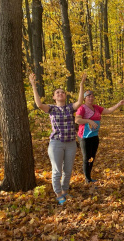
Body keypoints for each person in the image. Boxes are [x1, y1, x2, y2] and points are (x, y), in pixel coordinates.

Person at [29, 73, 86, 205]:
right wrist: (33, 84)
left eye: (62, 92)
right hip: (56, 144)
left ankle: (65, 191)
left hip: (71, 143)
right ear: (54, 97)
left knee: (68, 170)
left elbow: (80, 102)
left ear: (65, 96)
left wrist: (81, 84)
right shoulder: (51, 108)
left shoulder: (69, 108)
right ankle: (58, 193)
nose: (60, 93)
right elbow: (38, 104)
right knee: (57, 170)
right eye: (57, 92)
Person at [75, 90, 124, 183]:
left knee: (92, 157)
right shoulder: (82, 108)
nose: (91, 98)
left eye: (92, 96)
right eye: (88, 96)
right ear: (84, 98)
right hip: (84, 136)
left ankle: (89, 177)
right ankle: (87, 179)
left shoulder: (96, 107)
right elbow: (77, 120)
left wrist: (118, 104)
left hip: (94, 135)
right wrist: (89, 121)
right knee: (86, 157)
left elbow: (108, 111)